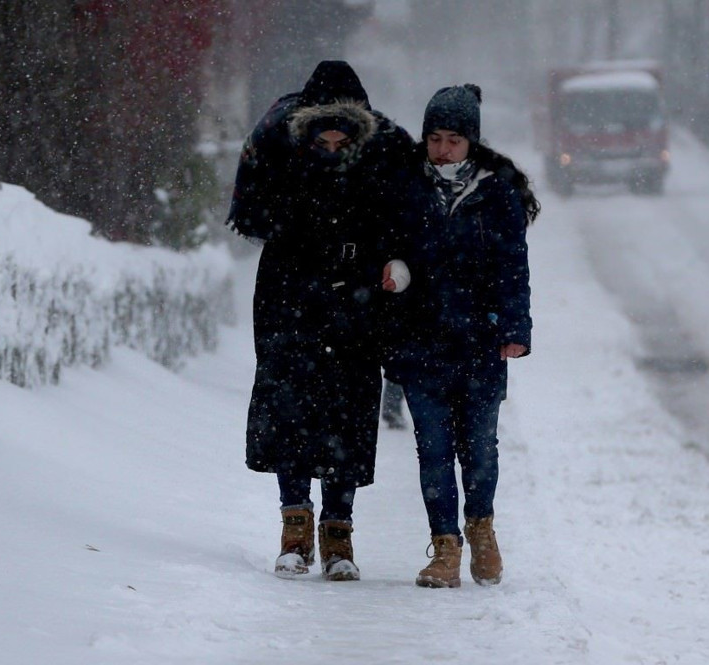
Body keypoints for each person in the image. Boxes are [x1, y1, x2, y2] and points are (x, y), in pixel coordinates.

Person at [225, 61, 413, 581]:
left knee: (349, 407)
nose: (332, 143)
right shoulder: (278, 151)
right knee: (290, 402)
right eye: (323, 135)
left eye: (342, 135)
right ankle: (294, 524)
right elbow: (253, 216)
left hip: (356, 299)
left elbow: (402, 222)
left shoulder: (384, 155)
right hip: (289, 294)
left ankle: (338, 530)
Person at [383, 83, 540, 588]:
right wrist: (392, 270)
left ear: (471, 140)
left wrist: (516, 328)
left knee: (480, 448)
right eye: (434, 138)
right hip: (420, 339)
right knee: (432, 448)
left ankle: (482, 530)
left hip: (480, 342)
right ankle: (445, 548)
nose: (443, 149)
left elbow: (513, 267)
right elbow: (388, 246)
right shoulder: (405, 186)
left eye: (453, 138)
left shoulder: (496, 192)